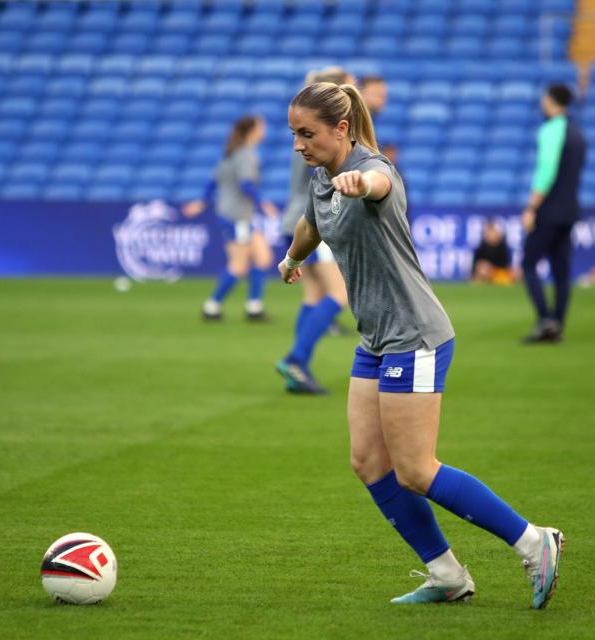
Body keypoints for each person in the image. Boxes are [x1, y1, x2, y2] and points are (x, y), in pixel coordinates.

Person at [280, 82, 565, 607]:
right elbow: (310, 224)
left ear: (340, 129)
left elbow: (378, 185)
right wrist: (293, 259)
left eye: (307, 133)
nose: (298, 144)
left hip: (416, 337)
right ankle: (446, 574)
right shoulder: (322, 180)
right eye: (294, 133)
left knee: (415, 469)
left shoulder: (373, 168)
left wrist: (360, 184)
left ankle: (533, 541)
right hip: (377, 340)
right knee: (368, 462)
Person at [276, 67, 356, 395]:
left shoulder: (305, 127)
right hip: (313, 221)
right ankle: (296, 358)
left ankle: (299, 368)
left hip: (294, 217)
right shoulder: (320, 132)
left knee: (312, 295)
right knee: (340, 294)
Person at [184, 115, 280, 321]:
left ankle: (253, 307)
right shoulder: (247, 154)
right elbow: (247, 184)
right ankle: (212, 307)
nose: (264, 131)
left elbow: (213, 181)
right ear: (252, 131)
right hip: (238, 216)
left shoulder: (229, 153)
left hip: (231, 214)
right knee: (239, 265)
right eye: (261, 127)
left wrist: (202, 201)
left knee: (263, 258)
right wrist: (263, 202)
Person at [520, 84, 587, 344]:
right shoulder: (578, 134)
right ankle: (557, 324)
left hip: (550, 210)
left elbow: (546, 173)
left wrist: (532, 207)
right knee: (561, 270)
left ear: (551, 101)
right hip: (570, 209)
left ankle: (545, 321)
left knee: (528, 263)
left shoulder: (550, 130)